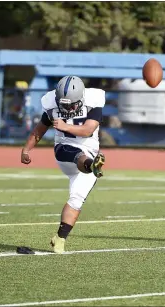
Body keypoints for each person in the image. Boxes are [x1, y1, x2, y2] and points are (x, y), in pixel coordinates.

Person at [20, 75, 106, 254]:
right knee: (77, 154)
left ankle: (59, 239)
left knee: (76, 200)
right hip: (64, 151)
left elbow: (88, 130)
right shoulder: (51, 105)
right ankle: (91, 165)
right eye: (64, 104)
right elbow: (39, 130)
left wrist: (65, 126)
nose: (67, 108)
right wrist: (26, 149)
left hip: (89, 150)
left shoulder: (93, 101)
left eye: (71, 104)